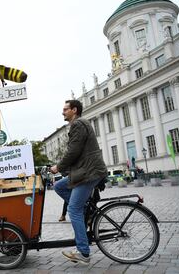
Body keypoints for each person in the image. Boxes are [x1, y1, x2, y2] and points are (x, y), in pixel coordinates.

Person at [51, 100, 107, 265]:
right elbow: (77, 152)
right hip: (83, 170)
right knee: (59, 186)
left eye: (65, 109)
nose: (63, 112)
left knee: (73, 209)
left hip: (88, 172)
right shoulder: (79, 124)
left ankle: (83, 252)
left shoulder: (78, 124)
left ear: (74, 110)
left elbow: (73, 152)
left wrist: (58, 167)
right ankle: (83, 210)